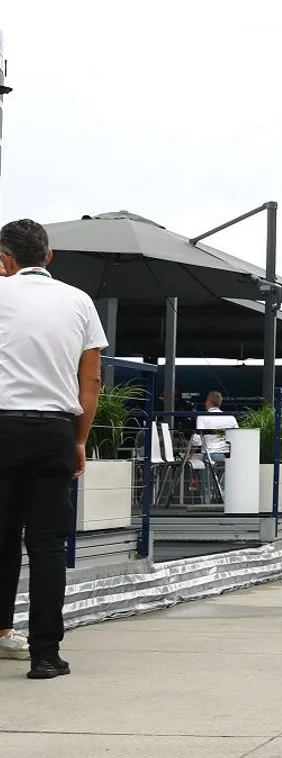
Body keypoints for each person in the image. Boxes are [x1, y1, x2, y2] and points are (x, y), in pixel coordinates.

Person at [0, 219, 108, 678]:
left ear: (5, 258)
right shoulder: (79, 300)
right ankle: (46, 654)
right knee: (46, 545)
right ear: (48, 257)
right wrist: (80, 439)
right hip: (54, 429)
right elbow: (91, 380)